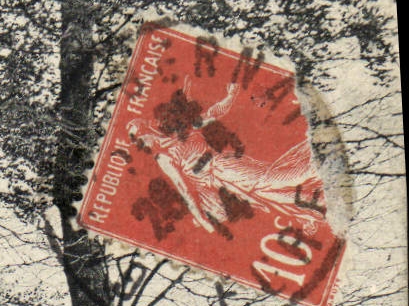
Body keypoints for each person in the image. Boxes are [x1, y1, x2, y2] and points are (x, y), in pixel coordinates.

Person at [127, 80, 328, 236]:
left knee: (267, 181)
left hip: (222, 165)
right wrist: (203, 219)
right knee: (262, 195)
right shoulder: (162, 158)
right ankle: (312, 206)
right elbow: (184, 189)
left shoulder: (180, 129)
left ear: (148, 130)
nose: (140, 144)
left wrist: (230, 95)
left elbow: (213, 113)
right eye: (136, 142)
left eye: (139, 138)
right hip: (215, 182)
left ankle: (312, 167)